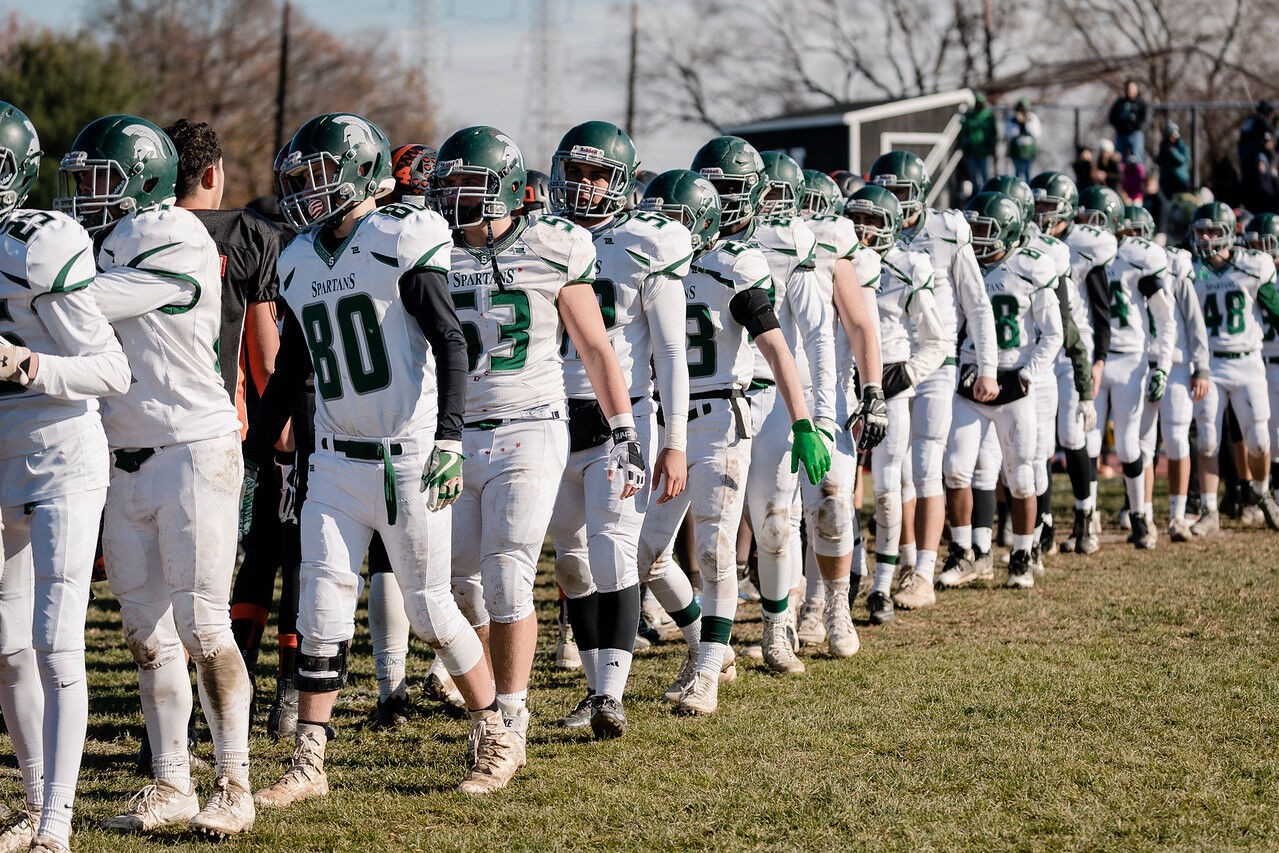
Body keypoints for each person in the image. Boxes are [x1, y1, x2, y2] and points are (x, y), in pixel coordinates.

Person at [245, 113, 513, 801]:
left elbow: (449, 341)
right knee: (320, 610)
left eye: (317, 176)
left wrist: (449, 437)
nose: (305, 191)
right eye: (299, 178)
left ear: (360, 174)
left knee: (429, 610)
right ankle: (309, 761)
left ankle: (496, 732)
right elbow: (292, 368)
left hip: (407, 457)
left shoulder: (401, 234)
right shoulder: (300, 257)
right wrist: (252, 453)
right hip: (335, 460)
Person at [55, 114, 255, 838]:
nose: (84, 195)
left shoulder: (174, 232)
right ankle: (171, 780)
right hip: (126, 453)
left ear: (143, 180)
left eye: (98, 179)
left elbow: (82, 303)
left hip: (191, 449)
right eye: (78, 181)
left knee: (203, 625)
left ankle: (234, 782)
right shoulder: (107, 238)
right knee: (145, 633)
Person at [430, 126, 642, 766]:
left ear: (506, 188)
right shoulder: (431, 246)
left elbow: (595, 346)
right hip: (456, 430)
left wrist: (625, 428)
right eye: (449, 183)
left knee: (508, 573)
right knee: (456, 585)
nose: (456, 195)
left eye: (470, 183)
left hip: (531, 422)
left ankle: (509, 721)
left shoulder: (555, 243)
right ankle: (487, 702)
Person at [635, 169, 828, 715]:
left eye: (674, 219)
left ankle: (705, 675)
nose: (662, 229)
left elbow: (777, 348)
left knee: (715, 548)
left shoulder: (734, 265)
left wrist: (803, 421)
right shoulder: (644, 266)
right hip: (663, 419)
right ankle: (709, 646)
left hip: (721, 415)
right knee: (645, 554)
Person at [0, 102, 131, 853]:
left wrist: (25, 363)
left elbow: (112, 369)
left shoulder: (39, 241)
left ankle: (58, 821)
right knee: (6, 645)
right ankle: (32, 800)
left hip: (59, 454)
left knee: (54, 641)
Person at [543, 120, 691, 738]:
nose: (583, 186)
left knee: (612, 549)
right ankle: (592, 686)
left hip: (619, 417)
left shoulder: (648, 241)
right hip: (549, 416)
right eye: (574, 173)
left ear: (622, 181)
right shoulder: (541, 237)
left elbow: (673, 352)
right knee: (570, 562)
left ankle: (610, 694)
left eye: (596, 175)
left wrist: (675, 441)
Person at [164, 118, 296, 737]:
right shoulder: (247, 235)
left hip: (141, 431)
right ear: (214, 173)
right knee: (219, 585)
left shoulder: (133, 233)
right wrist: (283, 430)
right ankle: (233, 725)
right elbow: (267, 358)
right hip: (223, 431)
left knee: (157, 596)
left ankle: (166, 728)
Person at [694, 142, 835, 676]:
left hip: (769, 392)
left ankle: (778, 629)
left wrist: (818, 416)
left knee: (775, 517)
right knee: (711, 527)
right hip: (711, 396)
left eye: (732, 188)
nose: (722, 198)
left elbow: (818, 334)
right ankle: (706, 638)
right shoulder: (685, 241)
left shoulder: (786, 240)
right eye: (714, 187)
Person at [866, 151, 998, 597]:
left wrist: (987, 366)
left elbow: (977, 303)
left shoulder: (947, 230)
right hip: (889, 362)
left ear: (921, 193)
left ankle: (923, 573)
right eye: (887, 190)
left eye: (902, 191)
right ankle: (902, 562)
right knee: (894, 469)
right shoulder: (871, 228)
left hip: (935, 360)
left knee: (925, 466)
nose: (895, 200)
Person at [945, 191, 1063, 588]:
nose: (976, 237)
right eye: (973, 228)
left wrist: (1027, 375)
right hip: (971, 376)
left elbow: (1053, 333)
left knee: (1021, 475)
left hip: (1014, 379)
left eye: (985, 229)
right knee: (956, 469)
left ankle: (1022, 558)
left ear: (1008, 231)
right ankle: (963, 554)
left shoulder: (1031, 266)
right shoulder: (964, 264)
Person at [844, 185, 946, 623]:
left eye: (872, 220)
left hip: (890, 385)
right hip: (843, 382)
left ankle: (882, 587)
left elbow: (938, 340)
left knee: (887, 489)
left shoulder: (910, 265)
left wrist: (907, 373)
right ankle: (851, 572)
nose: (863, 228)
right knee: (837, 488)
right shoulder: (836, 258)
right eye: (856, 218)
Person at [793, 169, 884, 653]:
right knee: (780, 512)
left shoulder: (840, 248)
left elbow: (862, 327)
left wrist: (872, 392)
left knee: (831, 502)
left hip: (829, 394)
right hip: (773, 391)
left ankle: (832, 605)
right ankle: (792, 611)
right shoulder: (763, 240)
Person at [1187, 202, 1279, 533]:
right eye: (1200, 231)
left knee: (1259, 440)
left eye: (1211, 230)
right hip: (1210, 363)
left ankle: (1261, 493)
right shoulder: (1192, 271)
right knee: (1207, 439)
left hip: (1248, 361)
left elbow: (1275, 309)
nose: (1205, 237)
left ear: (1228, 231)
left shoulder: (1253, 265)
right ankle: (1209, 510)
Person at [1093, 194, 1175, 548]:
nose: (1088, 228)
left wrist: (1163, 366)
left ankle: (1140, 516)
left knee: (1129, 445)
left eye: (1094, 220)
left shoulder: (1135, 257)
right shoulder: (1081, 253)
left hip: (1129, 357)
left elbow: (1165, 317)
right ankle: (1086, 518)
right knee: (1087, 440)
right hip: (1095, 356)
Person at [1136, 205, 1209, 541]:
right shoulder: (1117, 265)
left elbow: (1193, 320)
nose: (1132, 239)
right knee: (1141, 444)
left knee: (1178, 438)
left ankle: (1178, 516)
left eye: (1138, 232)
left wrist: (1201, 366)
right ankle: (1144, 516)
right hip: (1139, 363)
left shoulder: (1173, 264)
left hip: (1176, 363)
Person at [1242, 213, 1279, 506]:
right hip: (1256, 360)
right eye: (1251, 244)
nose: (1255, 250)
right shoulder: (1246, 271)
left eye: (1261, 243)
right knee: (1266, 435)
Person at [959, 94, 998, 190]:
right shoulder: (970, 116)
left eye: (981, 103)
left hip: (985, 151)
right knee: (973, 175)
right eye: (978, 103)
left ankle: (986, 191)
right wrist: (966, 141)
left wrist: (992, 145)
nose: (979, 105)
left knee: (985, 174)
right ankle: (975, 192)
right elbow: (964, 131)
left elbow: (994, 133)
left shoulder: (988, 116)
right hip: (972, 151)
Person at [1109, 79, 1148, 162]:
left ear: (1136, 89)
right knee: (1118, 158)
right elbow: (1112, 117)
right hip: (1121, 134)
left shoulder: (1141, 103)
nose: (1130, 90)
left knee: (1136, 157)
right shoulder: (1120, 103)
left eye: (1132, 88)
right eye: (1128, 88)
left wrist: (1135, 127)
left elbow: (1145, 119)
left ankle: (1137, 170)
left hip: (1135, 133)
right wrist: (1120, 127)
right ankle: (1121, 170)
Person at [1005, 99, 1041, 182]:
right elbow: (1010, 133)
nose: (1022, 111)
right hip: (1016, 151)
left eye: (1023, 109)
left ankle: (1028, 187)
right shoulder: (1012, 118)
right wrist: (1017, 122)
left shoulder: (1032, 118)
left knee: (1028, 173)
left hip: (1029, 151)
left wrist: (1025, 123)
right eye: (1020, 109)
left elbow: (1036, 133)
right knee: (1017, 174)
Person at [1238, 101, 1276, 172]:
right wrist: (1274, 124)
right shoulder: (1260, 118)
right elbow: (1271, 130)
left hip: (1242, 148)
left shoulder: (1251, 118)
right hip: (1252, 149)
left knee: (1247, 171)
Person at [1157, 123, 1191, 198]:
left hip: (1179, 180)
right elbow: (1161, 160)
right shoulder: (1163, 145)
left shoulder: (1182, 145)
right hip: (1166, 180)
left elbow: (1184, 160)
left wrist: (1173, 152)